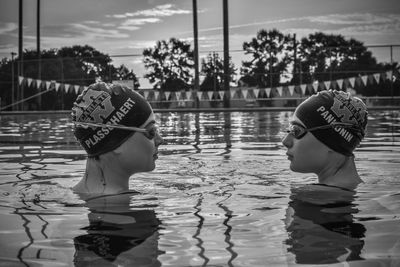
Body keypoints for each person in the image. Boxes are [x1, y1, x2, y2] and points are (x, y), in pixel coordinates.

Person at [71, 82, 163, 196]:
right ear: (115, 143)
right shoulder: (119, 204)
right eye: (151, 132)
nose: (160, 140)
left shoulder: (71, 195)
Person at [282, 89, 368, 190]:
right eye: (290, 129)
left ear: (333, 142)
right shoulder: (361, 191)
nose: (285, 141)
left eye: (296, 131)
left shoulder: (315, 199)